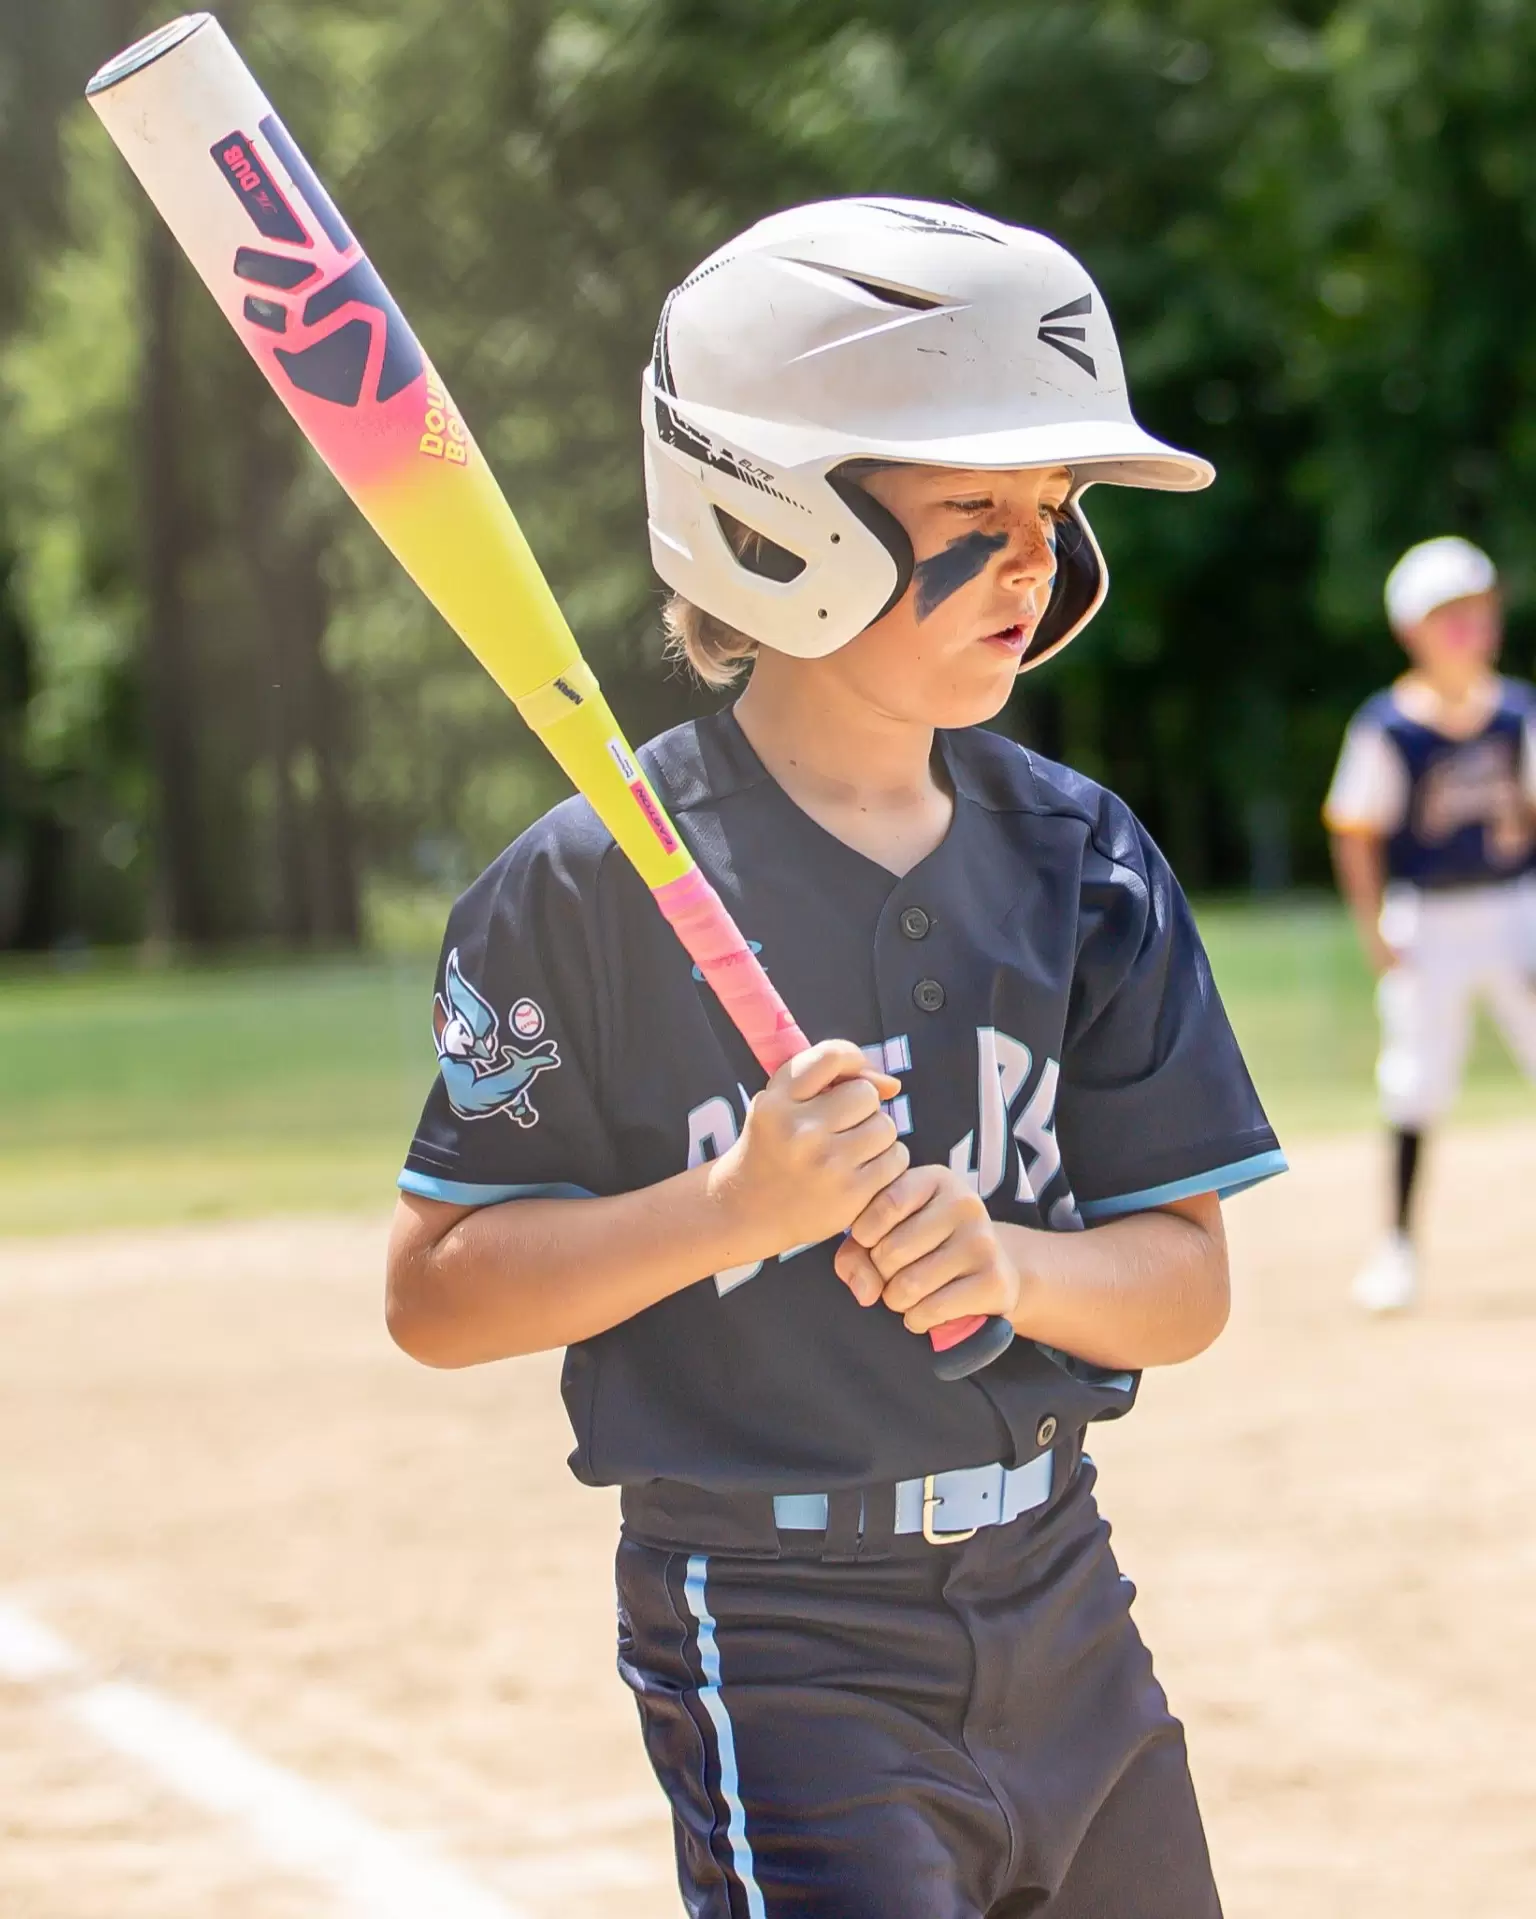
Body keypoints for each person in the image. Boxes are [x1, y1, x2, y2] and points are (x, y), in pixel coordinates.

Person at [386, 199, 1284, 1918]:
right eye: (975, 514)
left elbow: (1184, 1284)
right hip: (779, 1633)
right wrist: (734, 1205)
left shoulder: (1084, 861)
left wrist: (1008, 1261)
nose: (1033, 563)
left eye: (1053, 513)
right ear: (773, 519)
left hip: (1064, 1598)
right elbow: (438, 1294)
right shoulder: (587, 883)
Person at [1325, 536, 1536, 1313]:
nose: (1469, 628)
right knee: (1416, 1080)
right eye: (1450, 615)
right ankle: (1398, 1245)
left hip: (1515, 906)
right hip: (1430, 915)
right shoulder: (1390, 726)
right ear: (1411, 629)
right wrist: (1374, 928)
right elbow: (1357, 829)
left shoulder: (1516, 713)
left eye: (1478, 611)